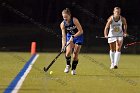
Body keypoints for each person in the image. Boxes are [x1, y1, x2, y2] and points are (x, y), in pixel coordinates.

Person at [60, 8, 84, 75]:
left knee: (75, 54)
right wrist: (63, 46)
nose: (65, 18)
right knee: (67, 53)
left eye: (66, 17)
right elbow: (63, 36)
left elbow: (81, 31)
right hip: (69, 37)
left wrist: (73, 37)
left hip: (78, 36)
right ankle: (68, 65)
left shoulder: (74, 20)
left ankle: (73, 69)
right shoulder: (62, 24)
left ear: (69, 15)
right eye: (63, 17)